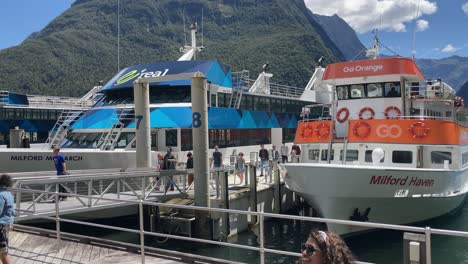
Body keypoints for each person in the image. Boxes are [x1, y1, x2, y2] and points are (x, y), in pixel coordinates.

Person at [0, 174, 14, 264]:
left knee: (3, 251)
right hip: (6, 224)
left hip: (0, 226)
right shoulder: (9, 194)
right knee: (3, 249)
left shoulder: (1, 195)